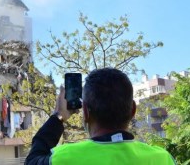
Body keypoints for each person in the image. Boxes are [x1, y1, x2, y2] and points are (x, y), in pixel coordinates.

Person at [25, 68, 175, 165]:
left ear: (86, 112)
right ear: (133, 110)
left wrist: (58, 116)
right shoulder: (163, 159)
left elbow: (32, 160)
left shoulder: (64, 158)